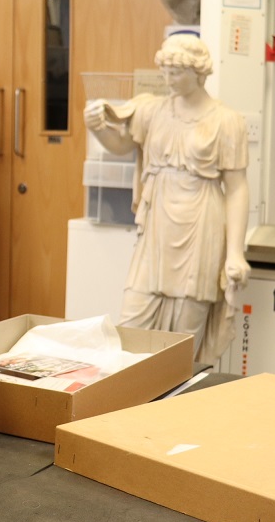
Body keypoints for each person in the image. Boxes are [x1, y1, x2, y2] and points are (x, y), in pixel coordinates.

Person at [83, 34, 250, 361]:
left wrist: (235, 253)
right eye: (166, 71)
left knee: (182, 342)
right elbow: (120, 146)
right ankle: (130, 399)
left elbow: (237, 189)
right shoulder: (152, 111)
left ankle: (174, 406)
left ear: (199, 73)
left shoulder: (227, 121)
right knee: (132, 322)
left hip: (201, 226)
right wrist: (98, 128)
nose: (168, 79)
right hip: (158, 224)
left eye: (176, 72)